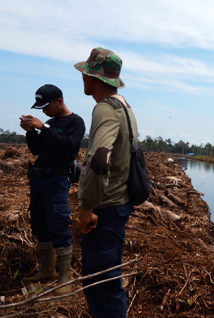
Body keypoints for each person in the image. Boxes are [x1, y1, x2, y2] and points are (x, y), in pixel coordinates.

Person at [75, 48, 138, 317]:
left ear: (93, 78)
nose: (82, 79)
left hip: (104, 212)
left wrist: (86, 209)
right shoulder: (123, 106)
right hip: (118, 206)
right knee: (106, 283)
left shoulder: (104, 109)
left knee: (101, 285)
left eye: (85, 74)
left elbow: (100, 160)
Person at [19, 84, 85, 295]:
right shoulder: (48, 122)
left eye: (46, 107)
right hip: (38, 178)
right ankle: (47, 270)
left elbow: (67, 146)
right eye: (41, 109)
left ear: (59, 101)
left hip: (57, 180)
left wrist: (43, 128)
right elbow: (37, 149)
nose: (44, 112)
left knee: (58, 224)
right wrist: (31, 132)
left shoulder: (75, 122)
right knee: (39, 225)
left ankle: (65, 278)